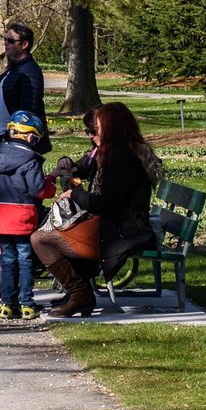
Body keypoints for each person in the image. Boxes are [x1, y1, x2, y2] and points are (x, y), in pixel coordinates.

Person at [31, 102, 158, 318]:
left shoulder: (121, 159)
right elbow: (86, 167)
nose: (90, 136)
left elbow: (101, 203)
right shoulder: (112, 152)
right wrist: (70, 168)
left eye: (94, 131)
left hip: (121, 233)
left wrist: (74, 192)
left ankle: (80, 294)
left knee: (40, 239)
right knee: (58, 227)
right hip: (114, 225)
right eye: (88, 131)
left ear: (113, 128)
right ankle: (79, 292)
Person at [0, 111, 52, 321]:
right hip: (22, 216)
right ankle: (27, 303)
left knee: (8, 259)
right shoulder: (31, 159)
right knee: (25, 259)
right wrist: (51, 185)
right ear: (29, 137)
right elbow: (39, 190)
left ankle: (8, 305)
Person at [0, 22, 45, 140]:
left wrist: (18, 135)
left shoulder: (30, 72)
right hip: (6, 136)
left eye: (11, 41)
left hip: (19, 138)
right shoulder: (13, 69)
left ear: (24, 44)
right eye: (5, 39)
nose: (6, 43)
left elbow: (28, 110)